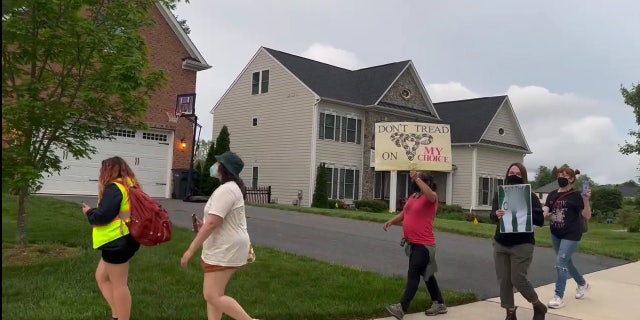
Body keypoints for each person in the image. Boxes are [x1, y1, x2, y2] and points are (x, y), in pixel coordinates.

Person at [180, 151, 257, 320]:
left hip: (226, 248)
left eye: (217, 163)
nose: (214, 166)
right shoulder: (229, 189)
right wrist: (203, 226)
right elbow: (216, 221)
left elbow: (213, 223)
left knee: (211, 295)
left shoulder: (227, 190)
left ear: (223, 168)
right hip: (224, 246)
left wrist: (190, 250)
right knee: (215, 295)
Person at [82, 156, 141, 320]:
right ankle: (117, 314)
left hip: (117, 241)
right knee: (101, 276)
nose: (101, 173)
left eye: (103, 169)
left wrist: (89, 212)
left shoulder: (115, 188)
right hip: (125, 238)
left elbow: (102, 216)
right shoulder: (129, 185)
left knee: (119, 285)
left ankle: (122, 317)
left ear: (109, 170)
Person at [383, 171, 447, 319]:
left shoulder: (431, 198)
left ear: (427, 183)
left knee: (413, 275)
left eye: (420, 180)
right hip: (413, 244)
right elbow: (404, 214)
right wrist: (392, 221)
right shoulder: (413, 197)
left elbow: (430, 194)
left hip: (424, 245)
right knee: (427, 275)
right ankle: (439, 303)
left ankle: (401, 308)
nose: (415, 182)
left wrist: (417, 178)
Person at [490, 163, 547, 320]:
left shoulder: (530, 196)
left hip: (522, 244)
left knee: (518, 278)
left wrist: (526, 211)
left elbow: (540, 220)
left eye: (517, 173)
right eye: (511, 172)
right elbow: (492, 217)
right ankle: (510, 312)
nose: (514, 175)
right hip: (501, 242)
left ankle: (538, 305)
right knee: (504, 280)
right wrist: (497, 214)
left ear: (523, 177)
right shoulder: (500, 194)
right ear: (507, 175)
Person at [543, 166, 592, 309]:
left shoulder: (577, 196)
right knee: (567, 263)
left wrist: (586, 200)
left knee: (560, 263)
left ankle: (558, 297)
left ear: (571, 179)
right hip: (555, 233)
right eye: (559, 174)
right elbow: (546, 211)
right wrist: (538, 215)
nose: (560, 177)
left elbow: (587, 215)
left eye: (564, 175)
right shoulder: (552, 194)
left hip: (572, 234)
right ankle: (583, 284)